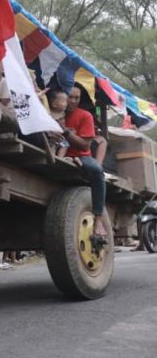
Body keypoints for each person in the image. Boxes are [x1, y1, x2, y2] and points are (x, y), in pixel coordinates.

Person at [54, 86, 108, 244]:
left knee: (97, 171)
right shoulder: (54, 113)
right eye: (70, 97)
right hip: (58, 153)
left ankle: (98, 219)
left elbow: (84, 146)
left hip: (81, 156)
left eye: (76, 98)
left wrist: (65, 131)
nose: (73, 101)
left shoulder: (85, 116)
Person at [46, 89, 70, 157]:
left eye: (66, 101)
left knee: (65, 144)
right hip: (51, 137)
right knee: (52, 145)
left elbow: (63, 127)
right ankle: (52, 155)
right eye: (63, 101)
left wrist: (67, 129)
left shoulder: (63, 114)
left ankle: (60, 157)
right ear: (54, 104)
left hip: (60, 137)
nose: (66, 103)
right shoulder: (49, 113)